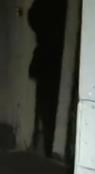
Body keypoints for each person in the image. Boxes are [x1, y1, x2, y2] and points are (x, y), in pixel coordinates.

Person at [28, 0, 67, 157]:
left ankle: (48, 147)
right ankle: (48, 147)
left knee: (47, 107)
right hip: (50, 58)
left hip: (48, 58)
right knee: (48, 107)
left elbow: (34, 17)